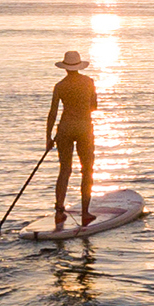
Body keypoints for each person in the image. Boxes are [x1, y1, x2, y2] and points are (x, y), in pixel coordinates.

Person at [45, 50, 99, 231]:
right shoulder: (89, 82)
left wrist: (48, 137)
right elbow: (94, 106)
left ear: (65, 67)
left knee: (65, 170)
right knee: (87, 170)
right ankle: (85, 212)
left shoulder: (60, 86)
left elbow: (53, 113)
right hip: (84, 129)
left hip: (64, 129)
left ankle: (59, 211)